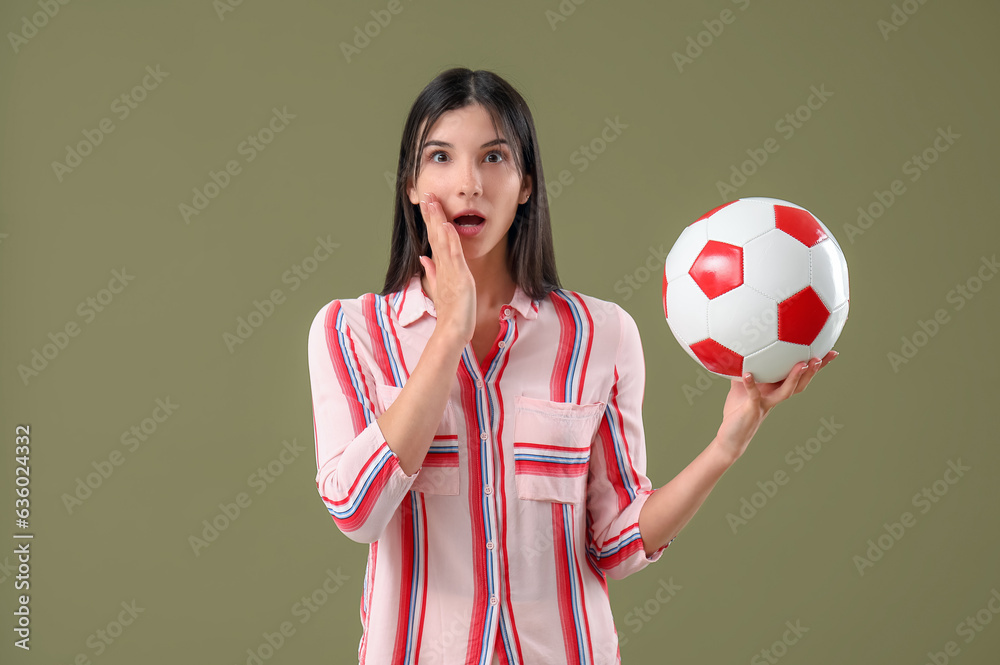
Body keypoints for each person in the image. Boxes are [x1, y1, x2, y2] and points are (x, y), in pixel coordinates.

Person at [306, 67, 836, 665]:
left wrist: (725, 445)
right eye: (441, 157)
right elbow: (357, 510)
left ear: (526, 183)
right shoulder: (351, 333)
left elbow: (615, 542)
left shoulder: (601, 335)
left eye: (494, 157)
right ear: (410, 183)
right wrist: (451, 328)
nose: (469, 184)